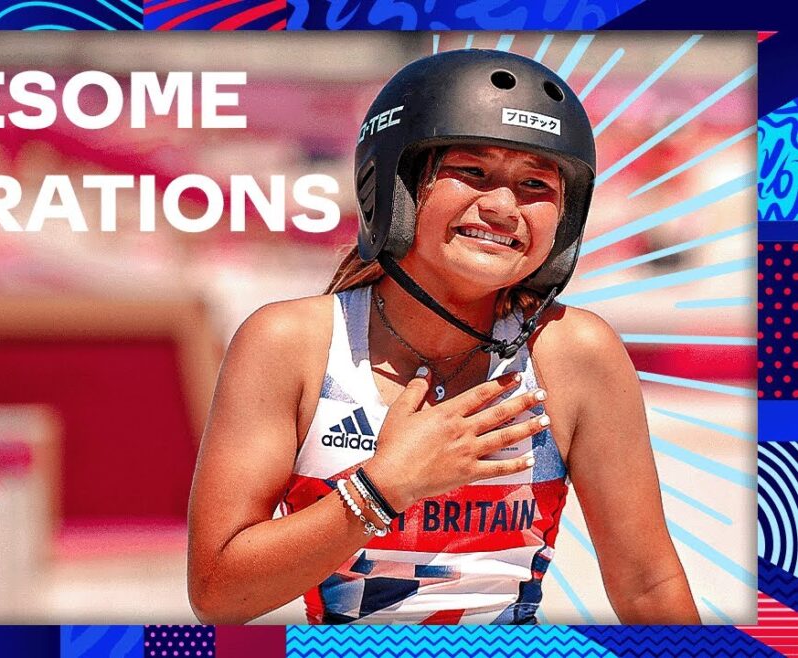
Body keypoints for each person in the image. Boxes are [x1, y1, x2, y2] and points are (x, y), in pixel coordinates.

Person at [186, 49, 699, 625]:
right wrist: (385, 488)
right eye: (473, 172)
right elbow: (218, 597)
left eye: (535, 183)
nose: (504, 207)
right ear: (396, 187)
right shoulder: (291, 343)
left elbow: (648, 585)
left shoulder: (573, 352)